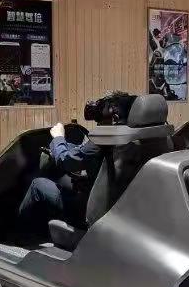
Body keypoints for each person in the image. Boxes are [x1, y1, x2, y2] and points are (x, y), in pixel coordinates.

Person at [17, 91, 136, 240]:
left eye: (104, 108)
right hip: (121, 210)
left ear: (114, 116)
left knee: (38, 184)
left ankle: (20, 238)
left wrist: (58, 137)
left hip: (92, 212)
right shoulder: (145, 137)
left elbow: (65, 161)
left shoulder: (105, 139)